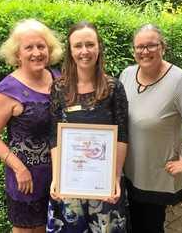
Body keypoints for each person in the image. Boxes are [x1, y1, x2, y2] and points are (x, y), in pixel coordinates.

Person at [119, 24, 182, 233]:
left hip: (155, 178)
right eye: (139, 47)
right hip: (127, 172)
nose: (144, 51)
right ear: (133, 50)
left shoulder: (179, 82)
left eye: (151, 46)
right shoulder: (127, 75)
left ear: (162, 47)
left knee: (149, 228)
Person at [46, 21, 129, 233]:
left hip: (104, 183)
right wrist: (57, 178)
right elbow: (55, 136)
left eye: (90, 44)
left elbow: (122, 136)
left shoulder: (113, 87)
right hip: (70, 183)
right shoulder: (59, 88)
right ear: (70, 50)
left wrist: (115, 179)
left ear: (99, 47)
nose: (85, 51)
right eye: (78, 45)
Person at [0, 19, 62, 233]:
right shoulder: (6, 90)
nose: (36, 52)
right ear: (18, 54)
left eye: (41, 46)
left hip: (61, 176)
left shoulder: (60, 78)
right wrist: (19, 169)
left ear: (49, 49)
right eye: (29, 47)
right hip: (27, 178)